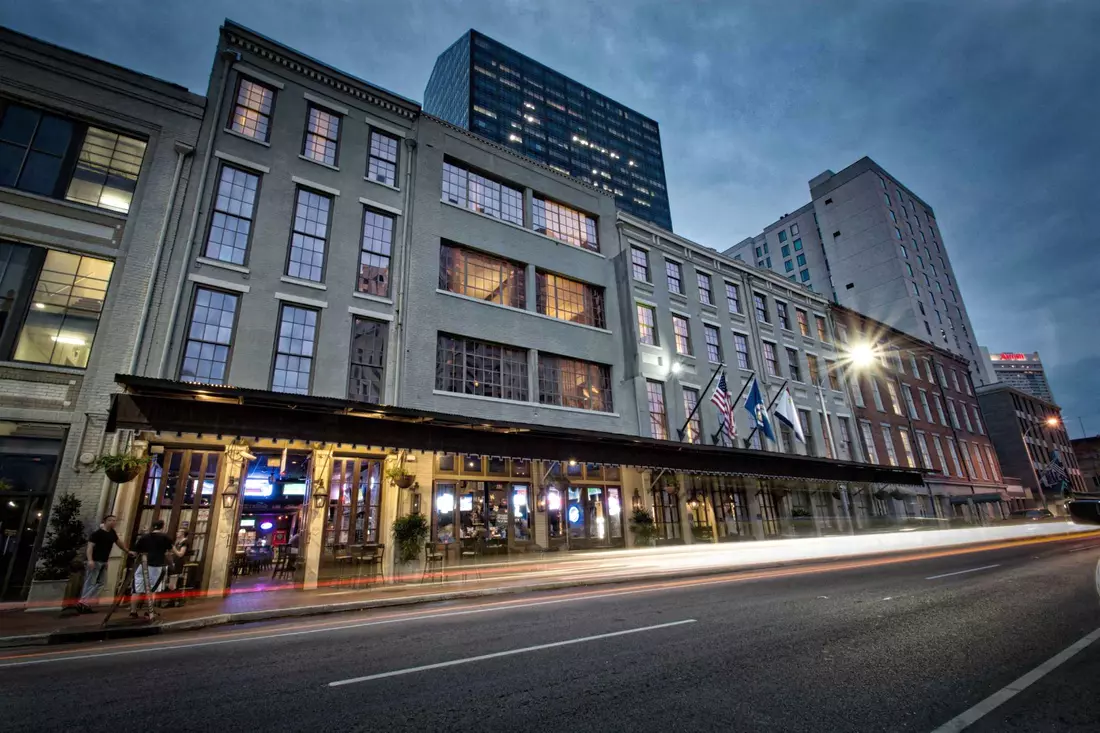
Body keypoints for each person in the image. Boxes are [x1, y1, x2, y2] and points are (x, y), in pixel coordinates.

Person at [77, 514, 132, 614]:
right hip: (95, 560)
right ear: (105, 522)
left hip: (104, 561)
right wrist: (90, 560)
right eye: (111, 520)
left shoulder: (112, 533)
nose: (113, 522)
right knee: (91, 582)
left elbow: (119, 543)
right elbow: (90, 547)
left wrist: (128, 551)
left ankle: (86, 602)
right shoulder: (97, 534)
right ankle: (83, 602)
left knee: (101, 583)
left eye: (114, 520)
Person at [130, 520, 183, 619]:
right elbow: (171, 553)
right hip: (157, 566)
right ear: (163, 527)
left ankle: (133, 611)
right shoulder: (166, 538)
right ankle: (149, 611)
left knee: (136, 589)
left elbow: (135, 552)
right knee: (153, 589)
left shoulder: (144, 537)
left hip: (143, 564)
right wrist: (172, 563)